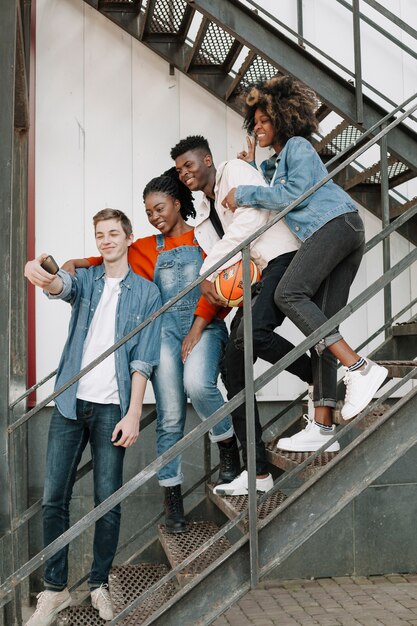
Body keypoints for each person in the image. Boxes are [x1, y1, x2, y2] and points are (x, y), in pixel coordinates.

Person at [63, 170, 239, 534]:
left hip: (203, 325)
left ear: (177, 203)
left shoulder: (205, 237)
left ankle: (227, 446)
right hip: (163, 332)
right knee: (170, 415)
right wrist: (77, 264)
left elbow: (220, 287)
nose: (155, 216)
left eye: (160, 208)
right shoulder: (145, 247)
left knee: (198, 384)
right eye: (148, 211)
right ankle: (172, 498)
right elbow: (110, 260)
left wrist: (197, 327)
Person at [221, 74, 388, 453]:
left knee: (289, 293)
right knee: (323, 327)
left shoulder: (298, 145)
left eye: (266, 121)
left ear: (284, 117)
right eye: (256, 122)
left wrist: (243, 190)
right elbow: (280, 183)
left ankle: (361, 368)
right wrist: (253, 167)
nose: (260, 127)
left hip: (335, 226)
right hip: (338, 231)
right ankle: (324, 425)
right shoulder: (281, 161)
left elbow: (292, 194)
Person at [24, 209, 161, 625]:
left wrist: (135, 412)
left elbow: (143, 360)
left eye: (114, 233)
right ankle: (55, 590)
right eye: (100, 234)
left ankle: (99, 584)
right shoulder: (85, 280)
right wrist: (45, 275)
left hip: (112, 411)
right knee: (53, 500)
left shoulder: (147, 294)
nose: (106, 240)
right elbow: (60, 285)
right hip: (69, 404)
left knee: (108, 501)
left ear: (129, 237)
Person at [171, 136, 313, 496]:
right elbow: (228, 262)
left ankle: (322, 379)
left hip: (282, 258)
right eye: (179, 169)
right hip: (257, 279)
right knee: (233, 372)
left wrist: (208, 268)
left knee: (252, 334)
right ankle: (258, 473)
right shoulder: (204, 213)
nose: (184, 172)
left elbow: (252, 217)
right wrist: (219, 284)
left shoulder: (233, 170)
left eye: (189, 164)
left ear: (207, 159)